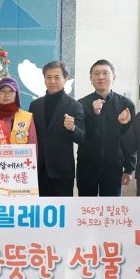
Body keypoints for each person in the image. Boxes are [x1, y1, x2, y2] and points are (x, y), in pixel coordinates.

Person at [76, 59, 136, 196]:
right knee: (85, 205)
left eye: (105, 73)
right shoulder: (81, 104)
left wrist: (129, 168)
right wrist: (94, 114)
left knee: (111, 206)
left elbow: (130, 140)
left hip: (114, 167)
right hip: (86, 166)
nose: (101, 77)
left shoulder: (126, 104)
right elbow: (80, 136)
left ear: (113, 77)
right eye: (96, 73)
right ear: (91, 79)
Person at [28, 61, 85, 196]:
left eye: (57, 77)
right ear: (44, 79)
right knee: (38, 208)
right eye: (48, 77)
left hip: (61, 172)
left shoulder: (74, 105)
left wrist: (72, 128)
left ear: (65, 79)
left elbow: (82, 137)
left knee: (63, 208)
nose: (52, 81)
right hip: (37, 169)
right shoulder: (35, 105)